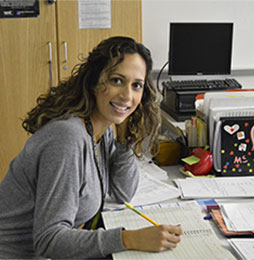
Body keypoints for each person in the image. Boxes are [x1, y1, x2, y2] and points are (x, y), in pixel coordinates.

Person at [0, 36, 182, 259]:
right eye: (117, 80)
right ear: (94, 82)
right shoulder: (67, 138)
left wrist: (124, 140)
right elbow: (48, 240)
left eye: (136, 85)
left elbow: (123, 193)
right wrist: (130, 238)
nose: (127, 95)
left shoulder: (100, 127)